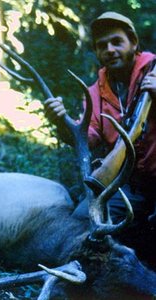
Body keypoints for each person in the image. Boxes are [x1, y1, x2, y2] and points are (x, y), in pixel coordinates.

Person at [44, 12, 156, 262]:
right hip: (128, 184)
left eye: (117, 42)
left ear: (134, 44)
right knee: (82, 222)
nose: (110, 49)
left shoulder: (155, 72)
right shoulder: (95, 92)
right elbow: (89, 137)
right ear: (96, 52)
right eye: (102, 45)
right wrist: (62, 122)